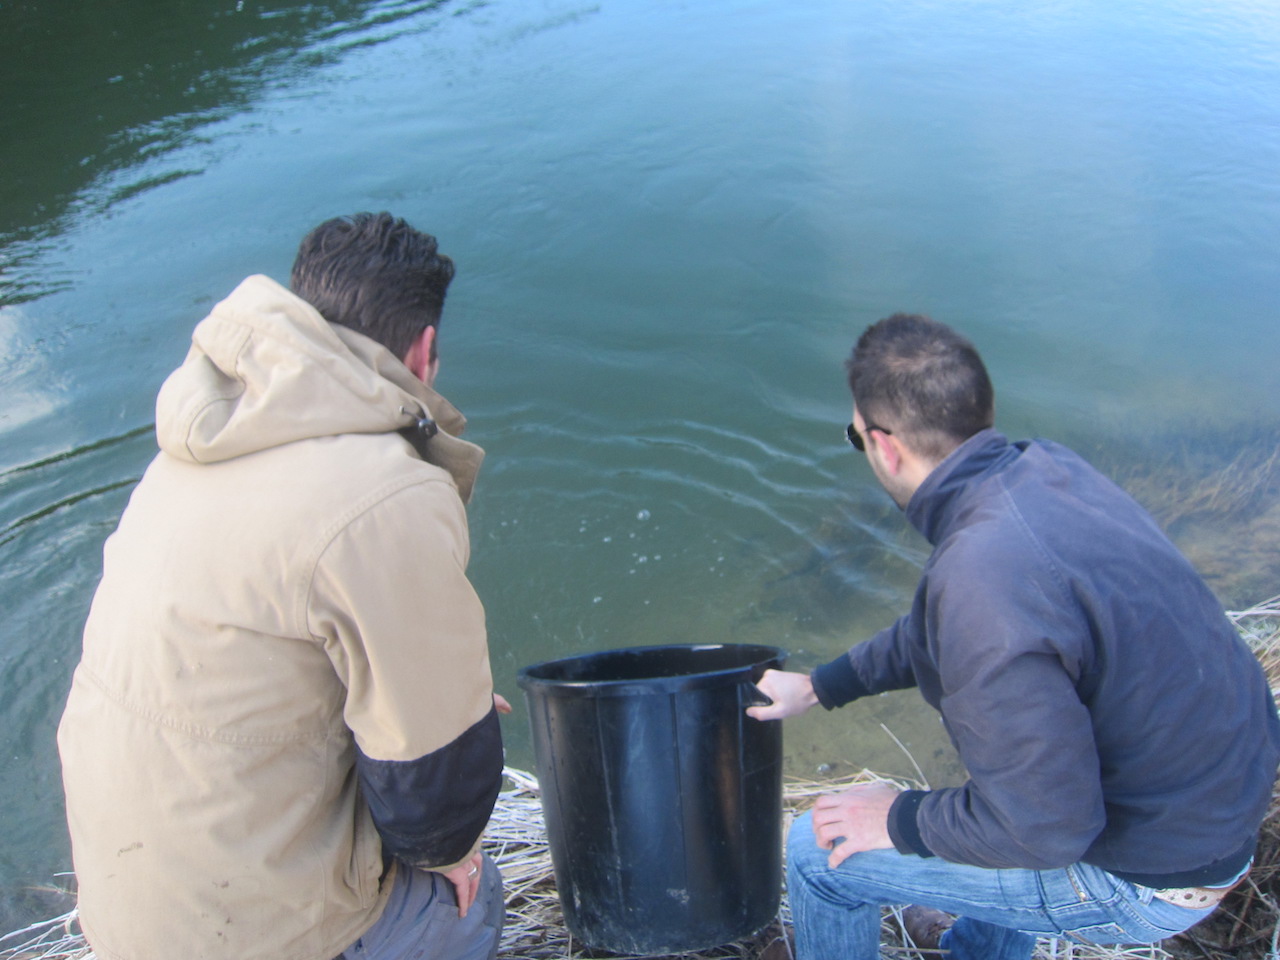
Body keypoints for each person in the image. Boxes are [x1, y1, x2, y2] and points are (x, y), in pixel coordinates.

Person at [747, 313, 1280, 960]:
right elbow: (942, 628)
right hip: (1219, 810)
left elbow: (1045, 831)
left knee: (817, 852)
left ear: (884, 446)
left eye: (855, 438)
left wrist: (896, 817)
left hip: (1146, 881)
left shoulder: (979, 579)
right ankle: (975, 947)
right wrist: (819, 687)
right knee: (1019, 759)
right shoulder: (1047, 472)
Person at [57, 213, 508, 960]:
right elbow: (432, 811)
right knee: (468, 898)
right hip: (254, 939)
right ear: (424, 351)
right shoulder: (388, 495)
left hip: (126, 912)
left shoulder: (192, 446)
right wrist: (455, 828)